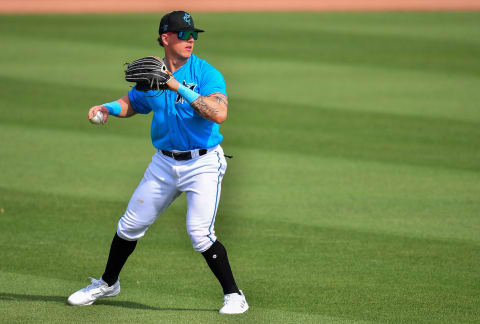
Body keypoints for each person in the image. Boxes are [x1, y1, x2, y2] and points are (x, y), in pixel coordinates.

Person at [67, 10, 248, 315]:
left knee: (199, 233)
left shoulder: (206, 74)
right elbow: (132, 104)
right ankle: (108, 283)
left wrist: (177, 85)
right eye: (183, 35)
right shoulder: (151, 73)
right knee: (129, 225)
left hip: (202, 163)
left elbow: (219, 113)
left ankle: (234, 295)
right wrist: (107, 108)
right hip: (164, 164)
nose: (190, 40)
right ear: (166, 38)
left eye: (194, 35)